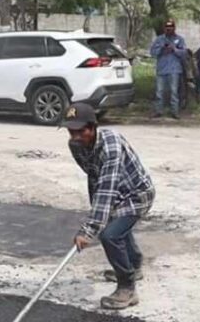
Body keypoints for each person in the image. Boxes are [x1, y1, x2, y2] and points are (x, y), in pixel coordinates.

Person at [65, 103, 155, 310]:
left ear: (93, 127)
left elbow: (107, 188)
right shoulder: (75, 145)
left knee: (110, 235)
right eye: (72, 131)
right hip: (116, 193)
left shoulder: (111, 145)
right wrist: (98, 213)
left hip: (137, 195)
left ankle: (127, 287)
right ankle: (133, 265)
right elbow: (94, 178)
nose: (76, 136)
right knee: (115, 225)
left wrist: (89, 229)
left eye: (81, 131)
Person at [149, 19, 187, 119]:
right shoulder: (159, 39)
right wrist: (162, 49)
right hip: (161, 69)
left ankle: (175, 112)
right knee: (159, 92)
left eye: (171, 28)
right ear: (164, 28)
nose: (169, 30)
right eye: (167, 28)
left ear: (174, 28)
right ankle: (158, 111)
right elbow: (152, 52)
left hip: (174, 69)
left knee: (174, 92)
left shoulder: (180, 39)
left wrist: (174, 49)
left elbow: (184, 54)